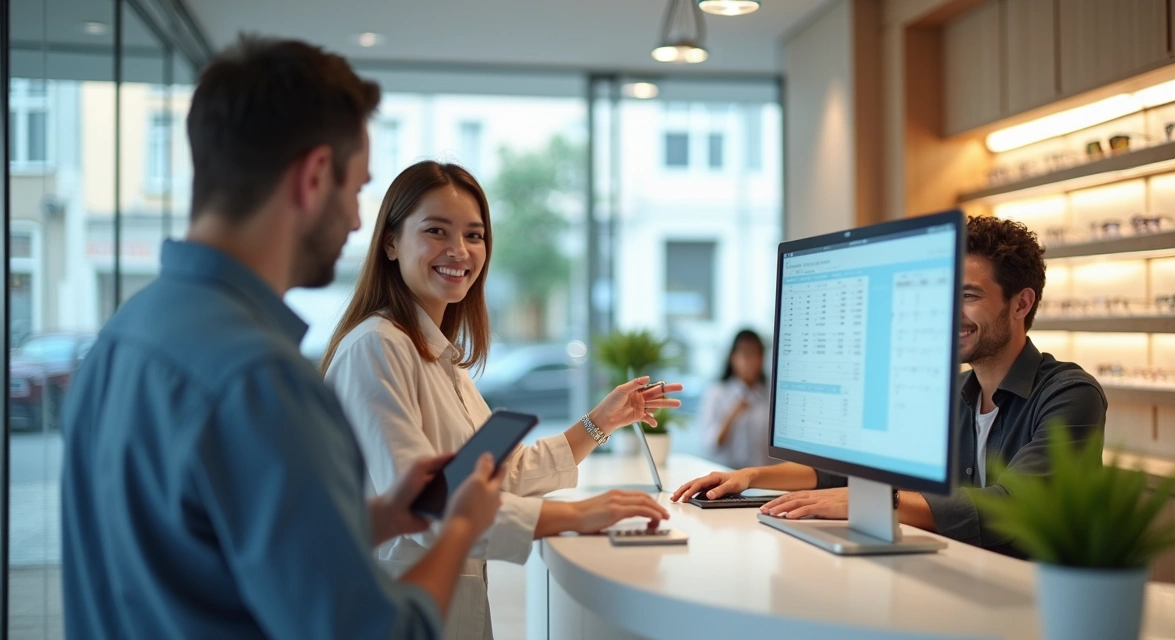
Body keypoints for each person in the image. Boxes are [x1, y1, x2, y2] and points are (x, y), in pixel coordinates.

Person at [60, 36, 506, 639]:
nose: (355, 221)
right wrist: (457, 527)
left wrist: (376, 517)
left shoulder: (120, 339)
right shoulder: (260, 379)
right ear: (315, 175)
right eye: (355, 190)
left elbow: (201, 555)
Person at [321, 160, 679, 639]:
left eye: (474, 235)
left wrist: (601, 421)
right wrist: (576, 515)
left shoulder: (438, 357)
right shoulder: (377, 347)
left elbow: (501, 475)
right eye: (436, 231)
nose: (460, 251)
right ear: (390, 242)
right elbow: (429, 508)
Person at [672, 216, 1107, 556]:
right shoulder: (952, 394)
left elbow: (1011, 504)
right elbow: (849, 470)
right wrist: (751, 477)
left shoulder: (1070, 395)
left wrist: (882, 502)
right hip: (953, 580)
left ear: (1022, 303)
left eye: (969, 296)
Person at [699, 329, 772, 469]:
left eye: (755, 354)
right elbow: (710, 444)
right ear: (732, 357)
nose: (750, 361)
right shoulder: (717, 393)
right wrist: (732, 414)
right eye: (744, 353)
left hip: (763, 475)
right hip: (727, 473)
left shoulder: (771, 393)